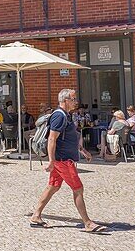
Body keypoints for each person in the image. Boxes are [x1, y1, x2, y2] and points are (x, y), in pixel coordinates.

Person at [29, 89, 106, 233]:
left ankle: (36, 215)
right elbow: (52, 139)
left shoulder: (67, 116)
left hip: (63, 158)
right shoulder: (59, 116)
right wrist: (51, 161)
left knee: (53, 186)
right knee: (78, 188)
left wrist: (83, 151)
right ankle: (88, 223)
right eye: (73, 99)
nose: (76, 102)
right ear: (65, 101)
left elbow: (70, 137)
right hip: (62, 160)